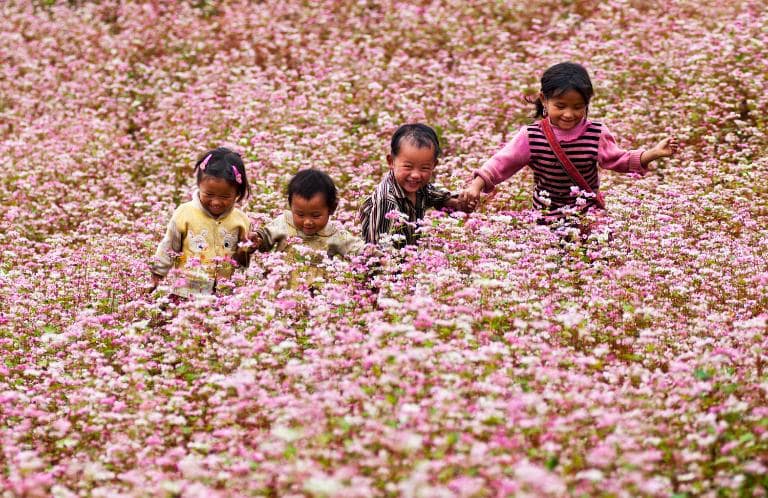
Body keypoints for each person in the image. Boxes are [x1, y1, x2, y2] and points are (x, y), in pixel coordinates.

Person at [461, 62, 678, 229]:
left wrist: (654, 153)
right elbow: (502, 163)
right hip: (546, 217)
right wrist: (476, 186)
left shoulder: (596, 133)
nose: (569, 114)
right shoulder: (532, 135)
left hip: (588, 216)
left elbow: (618, 159)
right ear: (544, 100)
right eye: (560, 106)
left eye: (578, 107)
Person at [150, 147, 252, 297]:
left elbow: (245, 258)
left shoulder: (241, 220)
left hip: (225, 294)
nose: (216, 202)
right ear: (199, 186)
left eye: (225, 197)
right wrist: (157, 274)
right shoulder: (184, 213)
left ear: (238, 193)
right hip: (186, 291)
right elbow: (169, 246)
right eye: (209, 194)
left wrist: (249, 250)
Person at [358, 123, 465, 247]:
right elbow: (378, 247)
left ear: (434, 165)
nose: (416, 175)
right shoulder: (387, 200)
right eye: (408, 166)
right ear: (391, 161)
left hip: (409, 260)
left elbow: (435, 195)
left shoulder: (421, 188)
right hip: (389, 262)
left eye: (424, 168)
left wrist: (456, 202)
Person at [249, 169, 364, 258]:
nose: (307, 222)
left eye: (315, 215)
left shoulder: (335, 235)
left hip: (317, 287)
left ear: (332, 209)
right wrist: (256, 240)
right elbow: (264, 237)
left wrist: (376, 257)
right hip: (281, 284)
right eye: (300, 214)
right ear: (291, 206)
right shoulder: (284, 222)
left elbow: (359, 250)